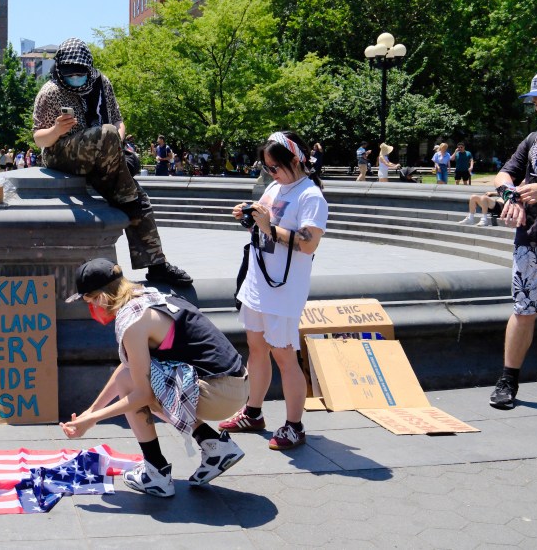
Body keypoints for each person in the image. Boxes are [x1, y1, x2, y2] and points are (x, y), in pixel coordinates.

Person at [60, 258, 248, 497]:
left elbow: (140, 392)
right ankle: (215, 445)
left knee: (137, 389)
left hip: (220, 392)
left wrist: (92, 420)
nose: (91, 309)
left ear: (101, 298)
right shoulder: (147, 297)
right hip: (235, 383)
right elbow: (129, 368)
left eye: (89, 302)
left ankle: (156, 473)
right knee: (139, 378)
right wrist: (92, 410)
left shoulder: (132, 323)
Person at [32, 38, 192, 286]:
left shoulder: (101, 83)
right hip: (63, 152)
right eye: (69, 73)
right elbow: (39, 139)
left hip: (104, 156)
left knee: (137, 199)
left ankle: (156, 265)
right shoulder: (50, 91)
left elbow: (118, 121)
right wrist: (56, 129)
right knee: (106, 134)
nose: (75, 77)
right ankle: (118, 171)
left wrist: (114, 144)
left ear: (89, 69)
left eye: (80, 73)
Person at [219, 132, 328, 450]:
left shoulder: (311, 196)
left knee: (284, 356)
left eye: (275, 166)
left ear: (296, 161)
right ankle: (253, 412)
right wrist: (249, 216)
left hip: (283, 289)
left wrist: (268, 227)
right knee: (255, 348)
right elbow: (263, 222)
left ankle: (295, 425)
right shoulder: (274, 187)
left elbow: (308, 243)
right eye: (267, 167)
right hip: (258, 282)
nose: (271, 172)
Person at [488, 69, 537, 412]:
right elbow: (504, 174)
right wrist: (511, 196)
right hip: (530, 241)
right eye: (536, 104)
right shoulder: (534, 140)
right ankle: (508, 381)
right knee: (522, 311)